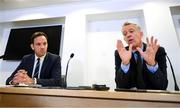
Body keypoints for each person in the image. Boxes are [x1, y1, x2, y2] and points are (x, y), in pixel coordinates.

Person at [115, 22, 168, 90]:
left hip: (153, 98)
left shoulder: (157, 51)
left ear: (141, 34)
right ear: (124, 39)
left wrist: (152, 64)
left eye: (131, 31)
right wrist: (125, 63)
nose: (128, 35)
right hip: (129, 98)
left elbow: (162, 86)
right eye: (125, 34)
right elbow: (120, 86)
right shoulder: (120, 53)